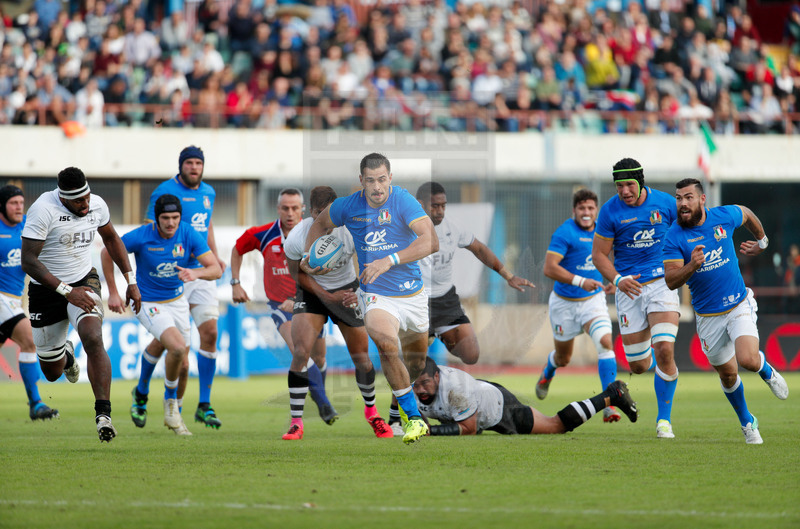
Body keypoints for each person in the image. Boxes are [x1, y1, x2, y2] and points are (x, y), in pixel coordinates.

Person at [301, 152, 439, 445]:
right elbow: (319, 225)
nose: (377, 187)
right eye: (371, 181)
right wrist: (307, 254)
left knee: (415, 365)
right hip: (375, 294)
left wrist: (390, 259)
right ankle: (414, 418)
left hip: (412, 294)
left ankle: (398, 408)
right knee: (388, 347)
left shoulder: (402, 201)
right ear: (361, 181)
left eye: (382, 180)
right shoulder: (347, 207)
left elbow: (431, 241)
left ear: (390, 179)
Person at [662, 178, 788, 444]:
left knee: (748, 360)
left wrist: (762, 242)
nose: (682, 203)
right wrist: (691, 266)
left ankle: (766, 371)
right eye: (678, 198)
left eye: (688, 197)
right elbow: (671, 280)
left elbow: (747, 213)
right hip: (708, 317)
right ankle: (747, 421)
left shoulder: (723, 216)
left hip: (737, 304)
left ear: (702, 199)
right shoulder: (674, 235)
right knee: (728, 374)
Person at [21, 167, 141, 442]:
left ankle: (104, 416)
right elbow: (28, 261)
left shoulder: (96, 204)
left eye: (87, 197)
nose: (86, 205)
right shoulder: (43, 211)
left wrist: (130, 281)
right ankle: (67, 355)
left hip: (84, 280)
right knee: (51, 373)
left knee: (93, 336)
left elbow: (111, 238)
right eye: (79, 201)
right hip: (46, 290)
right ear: (63, 198)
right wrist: (66, 291)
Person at [101, 194, 221, 435]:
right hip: (147, 302)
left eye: (175, 217)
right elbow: (107, 252)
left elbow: (215, 268)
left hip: (177, 302)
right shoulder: (143, 236)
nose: (171, 223)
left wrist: (194, 274)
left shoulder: (187, 233)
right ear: (156, 219)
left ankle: (145, 393)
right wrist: (113, 291)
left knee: (184, 365)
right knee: (176, 348)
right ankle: (169, 406)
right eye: (165, 218)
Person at [281, 186, 394, 440]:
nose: (326, 222)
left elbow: (371, 262)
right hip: (312, 293)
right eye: (319, 214)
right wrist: (326, 295)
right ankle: (296, 423)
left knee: (362, 358)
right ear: (311, 212)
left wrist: (362, 291)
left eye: (329, 213)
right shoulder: (297, 237)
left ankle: (372, 413)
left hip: (348, 292)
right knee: (300, 352)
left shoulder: (352, 229)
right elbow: (296, 273)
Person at [135, 146, 227, 430]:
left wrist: (213, 255)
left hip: (198, 270)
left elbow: (206, 225)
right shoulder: (164, 190)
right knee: (171, 345)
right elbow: (151, 228)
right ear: (181, 166)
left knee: (210, 333)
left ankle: (204, 404)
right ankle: (143, 392)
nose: (194, 167)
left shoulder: (209, 193)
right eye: (189, 163)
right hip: (173, 273)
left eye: (198, 163)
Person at [591, 157, 681, 439]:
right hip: (629, 289)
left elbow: (688, 233)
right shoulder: (609, 212)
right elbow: (598, 255)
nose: (625, 191)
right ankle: (657, 363)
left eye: (629, 184)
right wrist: (618, 279)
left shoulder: (666, 203)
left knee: (665, 348)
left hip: (662, 283)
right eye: (619, 185)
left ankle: (663, 421)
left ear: (641, 181)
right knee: (639, 366)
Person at [230, 188, 336, 423]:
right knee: (299, 350)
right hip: (280, 307)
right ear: (278, 209)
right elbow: (237, 249)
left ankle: (319, 392)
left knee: (318, 359)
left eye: (294, 208)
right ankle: (324, 403)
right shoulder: (264, 234)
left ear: (303, 210)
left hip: (310, 303)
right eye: (285, 208)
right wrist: (235, 283)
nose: (290, 213)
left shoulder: (316, 234)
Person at [415, 181, 534, 365]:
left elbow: (479, 249)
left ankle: (438, 332)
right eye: (435, 206)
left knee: (471, 355)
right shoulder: (405, 231)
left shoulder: (452, 228)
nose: (440, 211)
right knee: (413, 367)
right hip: (416, 300)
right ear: (420, 205)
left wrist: (508, 276)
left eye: (443, 206)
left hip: (445, 300)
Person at [538, 188, 620, 422]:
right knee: (564, 358)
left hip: (592, 301)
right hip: (564, 304)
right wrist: (580, 280)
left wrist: (616, 278)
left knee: (605, 342)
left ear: (596, 211)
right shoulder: (565, 232)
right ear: (574, 211)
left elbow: (614, 255)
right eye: (582, 208)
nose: (586, 212)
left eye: (591, 208)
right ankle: (548, 371)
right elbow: (549, 267)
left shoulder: (603, 230)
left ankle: (609, 403)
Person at [413, 357, 638, 436]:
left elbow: (469, 429)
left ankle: (611, 395)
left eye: (425, 383)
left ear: (437, 377)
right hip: (477, 397)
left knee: (556, 425)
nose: (420, 390)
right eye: (416, 385)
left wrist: (430, 431)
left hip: (499, 406)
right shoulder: (410, 389)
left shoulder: (454, 388)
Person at [0, 185, 59, 421]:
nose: (18, 207)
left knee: (29, 343)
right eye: (13, 203)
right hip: (1, 298)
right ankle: (36, 403)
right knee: (30, 339)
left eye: (21, 203)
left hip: (14, 300)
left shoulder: (27, 225)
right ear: (2, 206)